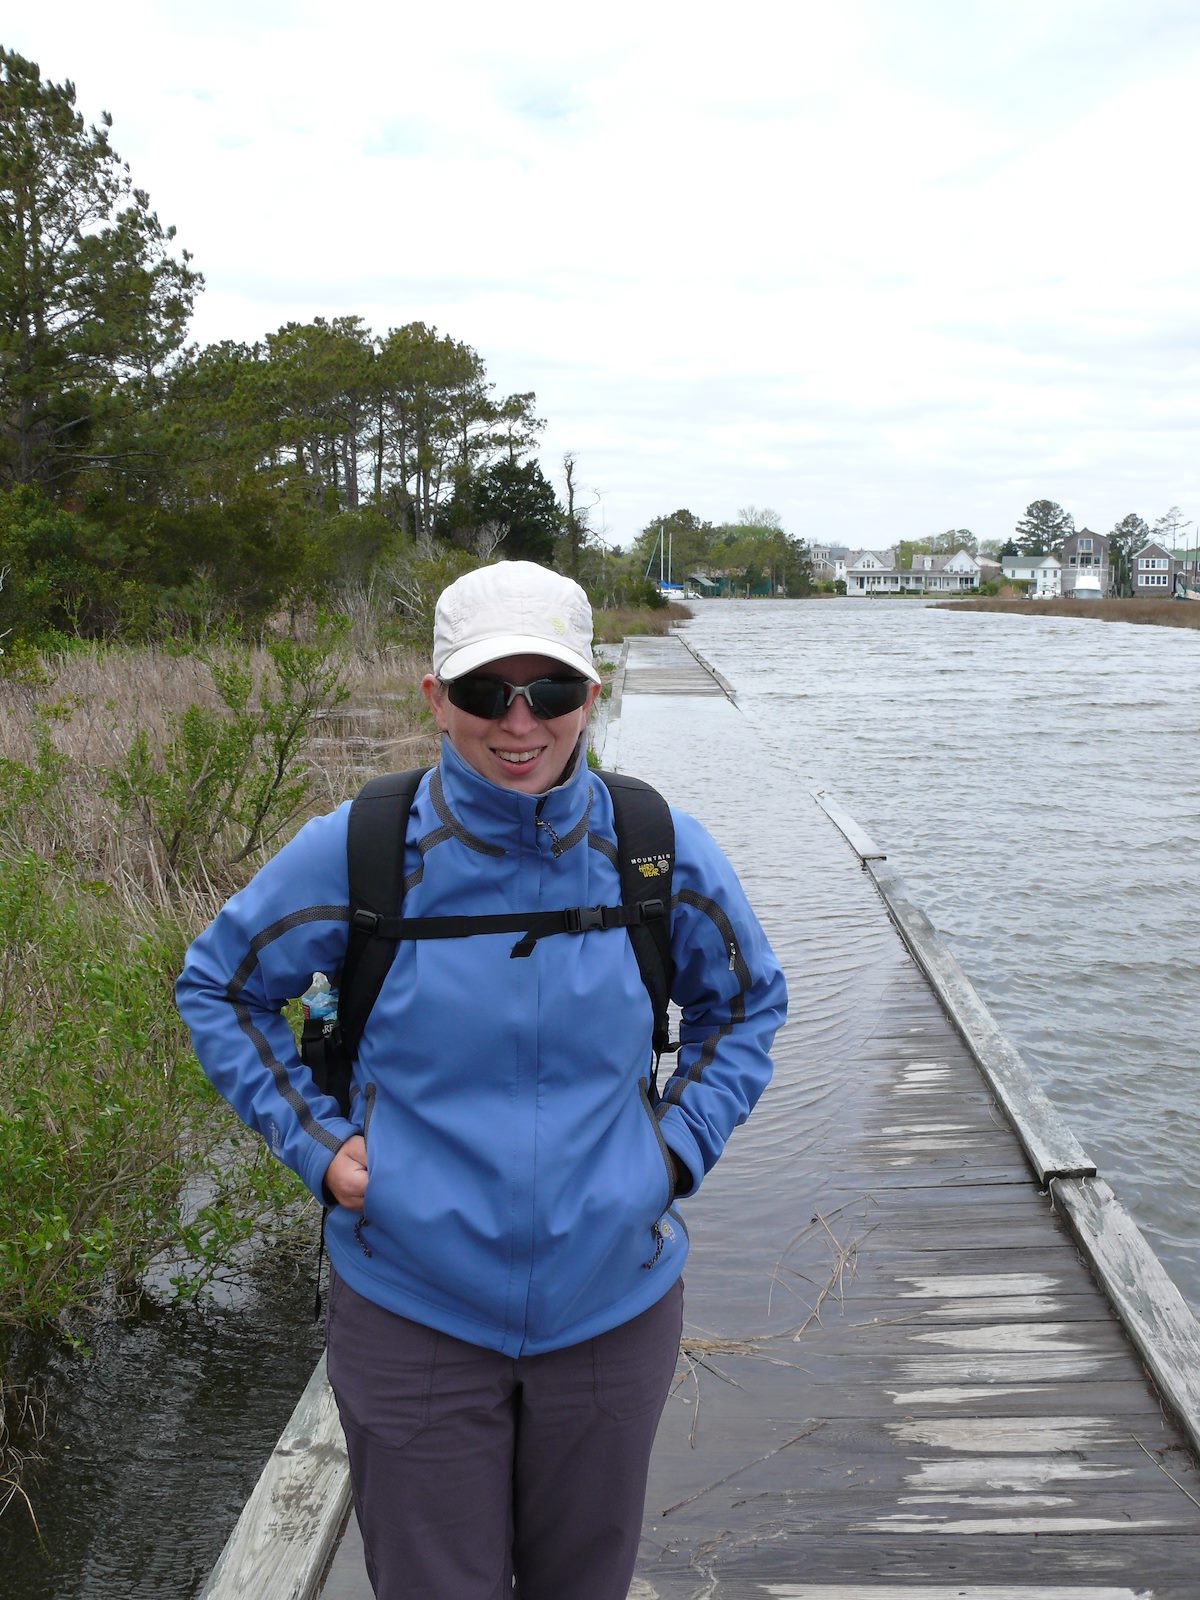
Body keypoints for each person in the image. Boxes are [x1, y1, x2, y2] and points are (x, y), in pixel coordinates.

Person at [176, 560, 786, 1600]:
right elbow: (219, 986)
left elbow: (747, 1005)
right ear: (433, 699)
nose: (519, 722)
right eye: (482, 691)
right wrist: (322, 1150)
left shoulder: (653, 851)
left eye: (549, 689)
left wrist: (672, 1151)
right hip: (411, 1305)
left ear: (591, 693)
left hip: (611, 1305)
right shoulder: (362, 849)